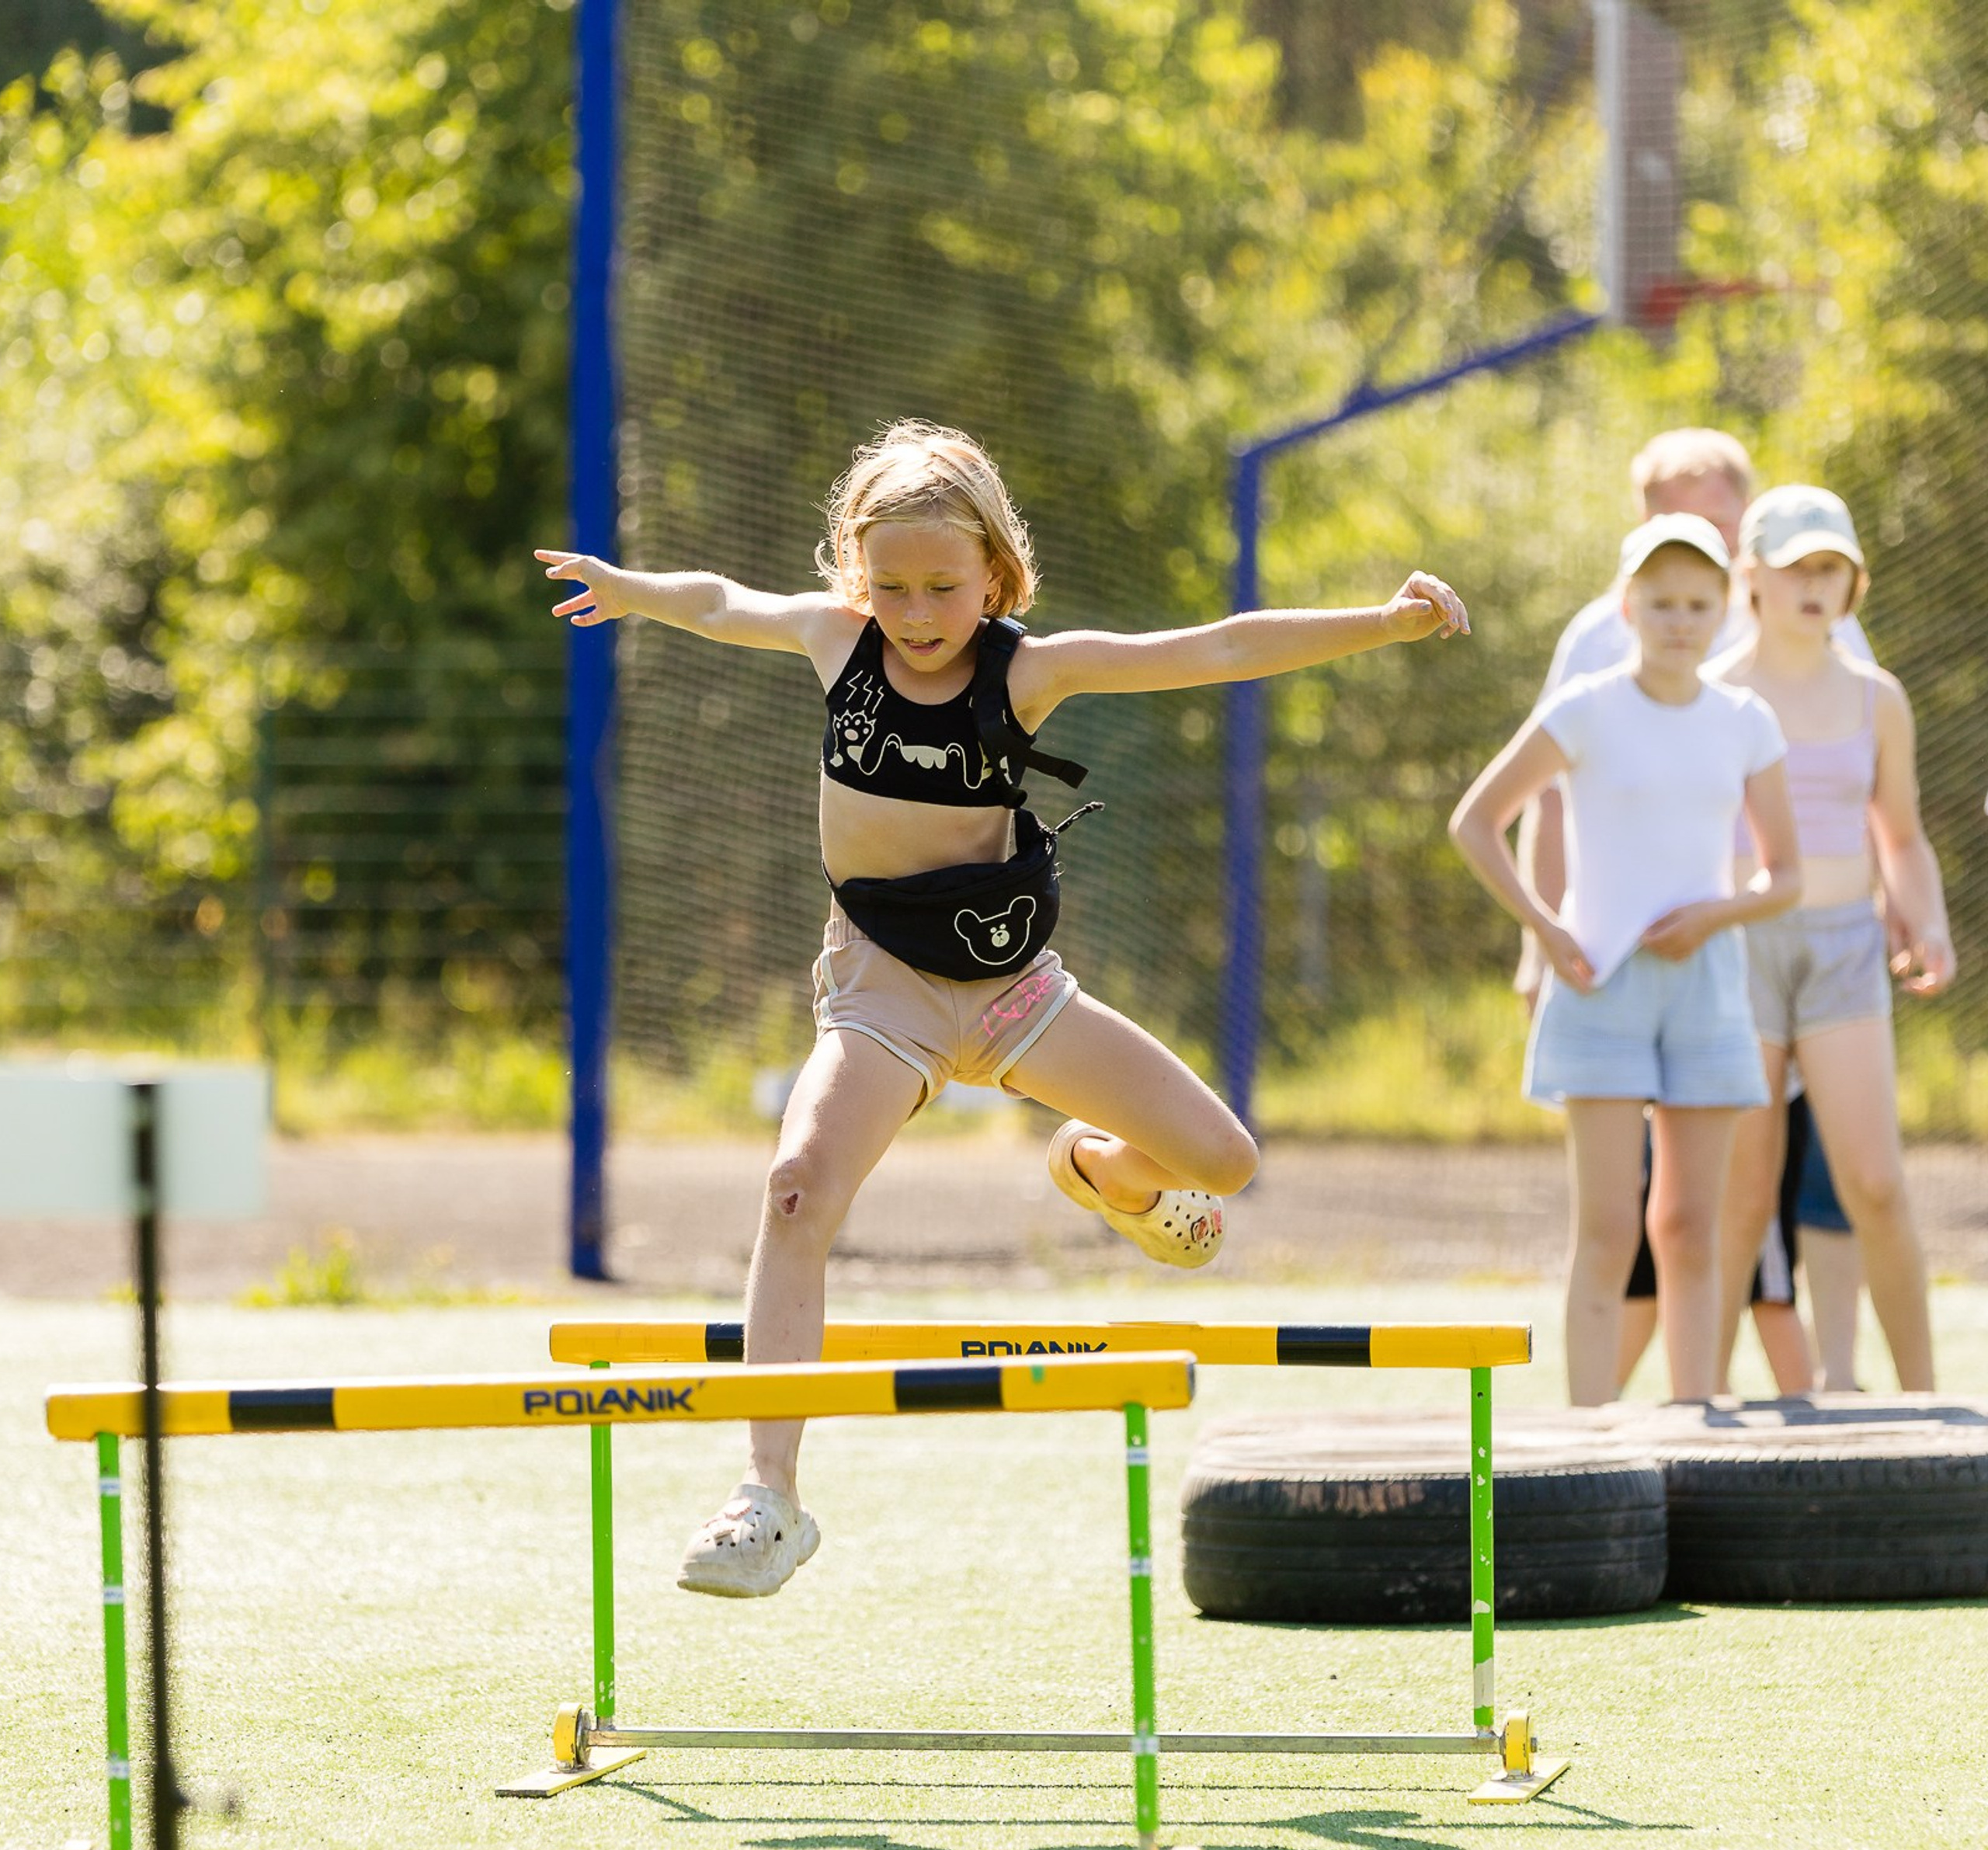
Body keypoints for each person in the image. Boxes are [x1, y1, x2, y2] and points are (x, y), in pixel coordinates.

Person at [537, 419, 1468, 1596]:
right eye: (891, 587)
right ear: (853, 574)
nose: (916, 614)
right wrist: (634, 591)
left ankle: (1102, 1173)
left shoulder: (1031, 671)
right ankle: (767, 1494)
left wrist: (1380, 623)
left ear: (996, 577)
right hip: (884, 987)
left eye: (942, 587)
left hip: (1016, 992)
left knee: (1223, 1162)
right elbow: (723, 600)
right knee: (795, 1186)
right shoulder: (838, 643)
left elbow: (1217, 646)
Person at [1517, 429, 1872, 1395]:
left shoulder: (1798, 632)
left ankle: (1763, 1403)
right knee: (1623, 1220)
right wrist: (1539, 936)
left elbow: (1845, 786)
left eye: (1714, 517)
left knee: (1737, 1217)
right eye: (1672, 515)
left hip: (1764, 969)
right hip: (1608, 972)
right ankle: (1601, 1423)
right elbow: (1537, 798)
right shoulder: (1599, 648)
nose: (1693, 542)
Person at [1451, 513, 1800, 1404]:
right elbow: (1476, 822)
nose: (1679, 619)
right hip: (1597, 986)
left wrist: (1714, 915)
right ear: (1627, 604)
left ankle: (1691, 1420)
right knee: (1607, 1230)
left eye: (1696, 603)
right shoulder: (1585, 706)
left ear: (1725, 609)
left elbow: (1785, 875)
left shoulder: (1746, 721)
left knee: (1689, 1226)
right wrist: (1546, 926)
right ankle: (1591, 1439)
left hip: (1707, 989)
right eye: (1660, 601)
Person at [1708, 485, 1955, 1393]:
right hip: (1738, 955)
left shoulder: (1878, 699)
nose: (1814, 585)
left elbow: (1900, 837)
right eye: (1795, 567)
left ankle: (1932, 1412)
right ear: (1753, 578)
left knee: (1876, 1184)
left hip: (1847, 952)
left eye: (1831, 568)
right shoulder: (1714, 691)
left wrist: (1922, 918)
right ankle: (1701, 1407)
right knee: (1741, 1197)